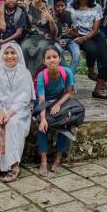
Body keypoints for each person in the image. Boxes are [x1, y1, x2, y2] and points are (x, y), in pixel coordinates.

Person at [0, 42, 34, 183]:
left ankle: (13, 166)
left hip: (17, 110)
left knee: (13, 124)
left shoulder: (25, 73)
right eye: (6, 53)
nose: (10, 56)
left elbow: (24, 98)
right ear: (2, 55)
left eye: (13, 53)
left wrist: (8, 114)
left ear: (19, 55)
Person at [35, 46, 75, 177]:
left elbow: (69, 93)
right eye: (48, 58)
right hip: (44, 103)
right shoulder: (42, 76)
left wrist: (58, 104)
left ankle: (58, 159)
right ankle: (44, 161)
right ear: (44, 61)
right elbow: (41, 100)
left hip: (61, 101)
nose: (52, 60)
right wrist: (43, 118)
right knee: (42, 126)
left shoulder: (67, 72)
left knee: (66, 123)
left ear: (59, 58)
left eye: (55, 57)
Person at [69, 0, 107, 99]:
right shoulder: (71, 7)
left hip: (92, 35)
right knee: (92, 50)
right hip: (77, 35)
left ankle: (97, 90)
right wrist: (75, 35)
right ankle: (91, 71)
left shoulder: (96, 7)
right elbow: (67, 22)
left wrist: (84, 38)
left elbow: (95, 29)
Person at [21, 0, 58, 76]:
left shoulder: (49, 8)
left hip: (44, 37)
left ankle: (37, 78)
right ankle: (24, 77)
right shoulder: (26, 8)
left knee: (43, 49)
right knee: (24, 48)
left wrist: (51, 20)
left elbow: (54, 31)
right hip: (30, 37)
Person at [52, 0, 80, 74]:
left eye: (62, 5)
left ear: (66, 5)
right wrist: (58, 40)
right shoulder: (52, 17)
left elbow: (77, 34)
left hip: (72, 40)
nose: (60, 8)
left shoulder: (71, 15)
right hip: (58, 41)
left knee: (77, 55)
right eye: (57, 6)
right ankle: (68, 75)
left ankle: (69, 77)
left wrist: (71, 32)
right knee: (57, 53)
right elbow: (50, 35)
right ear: (54, 6)